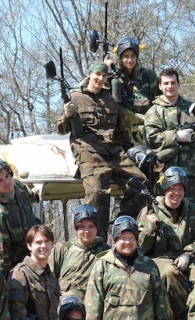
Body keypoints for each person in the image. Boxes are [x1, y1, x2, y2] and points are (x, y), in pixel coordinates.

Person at [57, 62, 148, 241]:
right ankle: (97, 242)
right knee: (98, 192)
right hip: (89, 150)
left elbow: (120, 132)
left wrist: (132, 151)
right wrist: (67, 115)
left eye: (104, 76)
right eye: (97, 74)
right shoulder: (75, 97)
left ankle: (123, 226)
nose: (100, 78)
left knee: (140, 184)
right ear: (90, 75)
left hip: (113, 151)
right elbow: (60, 129)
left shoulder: (110, 101)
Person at [136, 166, 195, 320]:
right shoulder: (149, 211)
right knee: (169, 273)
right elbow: (139, 248)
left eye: (179, 189)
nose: (176, 193)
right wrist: (150, 229)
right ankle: (188, 317)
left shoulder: (193, 210)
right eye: (171, 188)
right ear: (165, 189)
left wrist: (188, 254)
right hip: (160, 258)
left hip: (188, 257)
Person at [144, 68, 195, 208]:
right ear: (160, 86)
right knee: (166, 214)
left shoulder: (192, 109)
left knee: (193, 213)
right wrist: (176, 136)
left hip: (191, 174)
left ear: (178, 85)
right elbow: (152, 138)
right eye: (166, 83)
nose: (170, 86)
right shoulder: (154, 111)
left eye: (173, 83)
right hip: (166, 174)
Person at [0, 158, 41, 277]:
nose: (7, 182)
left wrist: (36, 195)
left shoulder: (18, 187)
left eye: (7, 176)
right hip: (18, 271)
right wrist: (7, 282)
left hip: (36, 260)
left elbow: (30, 196)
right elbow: (1, 258)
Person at [50, 204, 110, 300]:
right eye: (82, 227)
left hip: (95, 303)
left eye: (91, 226)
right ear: (76, 229)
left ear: (96, 228)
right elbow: (48, 278)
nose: (87, 231)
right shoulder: (63, 249)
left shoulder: (106, 252)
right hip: (66, 303)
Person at [106, 36, 160, 144]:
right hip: (123, 127)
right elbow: (95, 89)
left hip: (148, 124)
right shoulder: (114, 75)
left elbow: (159, 99)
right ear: (120, 57)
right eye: (126, 56)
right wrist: (105, 68)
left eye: (133, 56)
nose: (130, 60)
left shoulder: (149, 75)